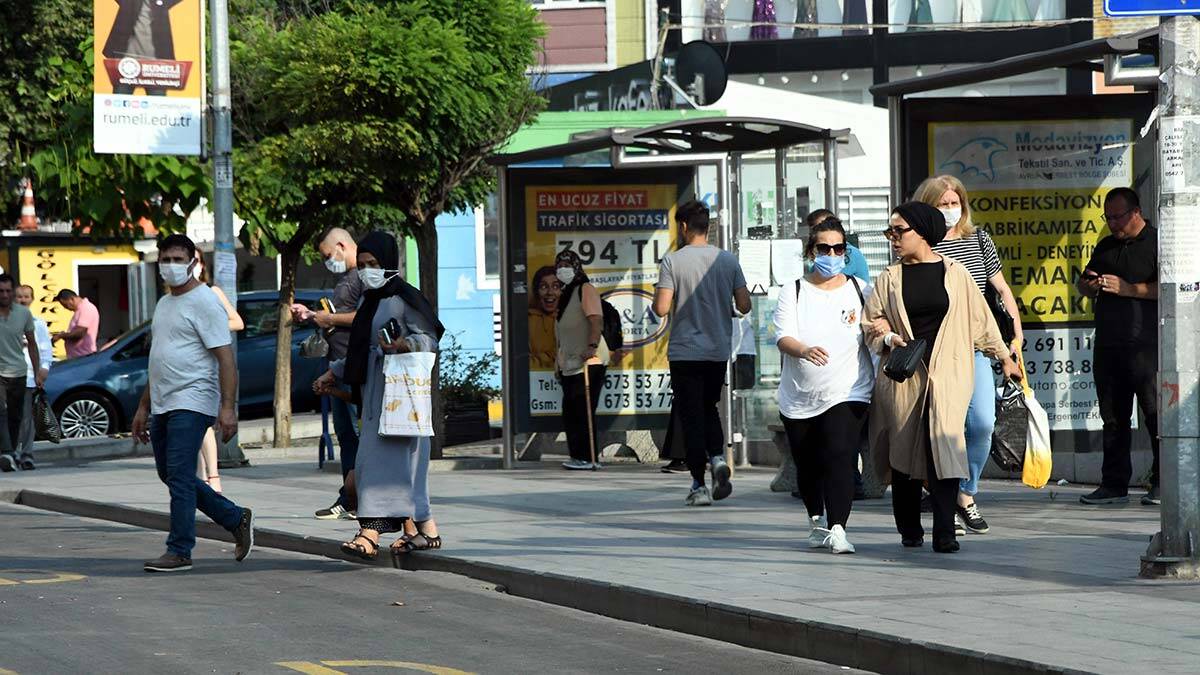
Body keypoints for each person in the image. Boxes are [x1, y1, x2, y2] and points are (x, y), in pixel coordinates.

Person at [863, 202, 1019, 553]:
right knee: (903, 451)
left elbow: (982, 322)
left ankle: (945, 532)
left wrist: (1005, 357)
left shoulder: (957, 275)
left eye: (898, 231)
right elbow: (870, 322)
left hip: (948, 372)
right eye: (889, 232)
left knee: (946, 449)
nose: (893, 239)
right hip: (904, 377)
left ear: (921, 232)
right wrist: (888, 336)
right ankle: (909, 528)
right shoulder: (889, 278)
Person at [313, 231, 445, 560]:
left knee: (382, 467)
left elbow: (429, 341)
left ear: (389, 263)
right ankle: (425, 531)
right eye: (362, 265)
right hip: (375, 397)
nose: (367, 270)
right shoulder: (369, 301)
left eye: (374, 264)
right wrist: (335, 371)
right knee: (392, 468)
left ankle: (368, 534)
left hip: (402, 399)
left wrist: (402, 345)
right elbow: (362, 348)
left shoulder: (404, 299)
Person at [906, 174, 1025, 535]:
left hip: (976, 347)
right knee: (945, 429)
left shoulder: (979, 239)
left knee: (982, 424)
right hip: (937, 351)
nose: (950, 209)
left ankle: (964, 491)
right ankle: (953, 500)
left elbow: (1001, 290)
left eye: (954, 202)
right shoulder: (920, 246)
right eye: (942, 204)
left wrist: (1015, 338)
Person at [131, 234, 253, 572]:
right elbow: (158, 360)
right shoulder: (164, 303)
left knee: (181, 475)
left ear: (193, 262)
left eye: (177, 259)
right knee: (170, 474)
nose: (171, 265)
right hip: (163, 402)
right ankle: (234, 517)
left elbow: (226, 359)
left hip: (194, 399)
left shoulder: (204, 301)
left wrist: (227, 408)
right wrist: (143, 407)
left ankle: (179, 550)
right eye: (165, 259)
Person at [774, 219, 875, 554]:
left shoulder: (861, 289)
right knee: (807, 464)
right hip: (799, 396)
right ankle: (816, 519)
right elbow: (782, 337)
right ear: (810, 251)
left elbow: (874, 329)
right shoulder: (794, 290)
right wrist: (803, 350)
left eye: (838, 248)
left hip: (849, 391)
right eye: (824, 248)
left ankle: (839, 528)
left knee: (840, 455)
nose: (831, 254)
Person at [653, 200, 751, 506]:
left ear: (683, 227)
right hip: (716, 349)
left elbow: (661, 308)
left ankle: (698, 484)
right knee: (709, 407)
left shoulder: (672, 262)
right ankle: (719, 459)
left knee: (691, 415)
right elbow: (745, 305)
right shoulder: (727, 260)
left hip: (684, 351)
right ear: (706, 226)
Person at [1076, 187, 1160, 506]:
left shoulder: (1156, 243)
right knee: (1113, 418)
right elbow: (1084, 283)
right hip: (1109, 345)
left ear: (1136, 212)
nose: (1112, 223)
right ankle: (1113, 483)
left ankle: (1162, 483)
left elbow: (1168, 289)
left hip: (1146, 346)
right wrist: (1089, 286)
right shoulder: (1106, 246)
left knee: (1154, 415)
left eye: (1118, 216)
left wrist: (1128, 289)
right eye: (1107, 217)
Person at [294, 228, 364, 520]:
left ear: (340, 245)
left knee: (356, 435)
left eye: (326, 256)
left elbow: (366, 317)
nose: (326, 261)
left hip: (352, 366)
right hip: (338, 365)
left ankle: (355, 497)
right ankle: (351, 498)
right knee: (346, 435)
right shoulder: (345, 278)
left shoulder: (363, 275)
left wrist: (329, 318)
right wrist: (312, 316)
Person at [192, 252, 245, 494]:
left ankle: (213, 476)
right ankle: (202, 478)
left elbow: (237, 321)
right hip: (187, 367)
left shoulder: (212, 292)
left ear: (202, 265)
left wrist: (208, 329)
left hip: (208, 367)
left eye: (195, 260)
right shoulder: (176, 297)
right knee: (194, 425)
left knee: (203, 423)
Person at [554, 250, 610, 471]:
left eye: (567, 264)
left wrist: (592, 346)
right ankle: (577, 455)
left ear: (576, 266)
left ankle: (588, 457)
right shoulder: (566, 293)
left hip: (589, 361)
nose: (562, 269)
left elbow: (595, 319)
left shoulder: (585, 289)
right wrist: (557, 363)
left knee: (582, 410)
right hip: (570, 364)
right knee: (570, 411)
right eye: (559, 265)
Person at [0, 276, 46, 473]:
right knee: (1, 412)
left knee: (16, 416)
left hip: (19, 372)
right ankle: (8, 452)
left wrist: (38, 373)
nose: (5, 295)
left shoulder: (24, 315)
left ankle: (14, 454)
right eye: (1, 291)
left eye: (8, 291)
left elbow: (34, 345)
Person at [13, 285, 53, 471]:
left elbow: (45, 349)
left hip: (29, 376)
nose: (22, 299)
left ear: (32, 299)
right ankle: (10, 453)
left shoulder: (38, 323)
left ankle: (27, 455)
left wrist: (43, 369)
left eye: (26, 296)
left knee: (27, 419)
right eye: (19, 296)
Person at [804, 209, 871, 281]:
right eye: (813, 231)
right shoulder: (815, 255)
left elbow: (864, 286)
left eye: (838, 249)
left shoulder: (853, 254)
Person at [528, 266, 561, 370]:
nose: (550, 292)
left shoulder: (569, 320)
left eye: (556, 287)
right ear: (536, 291)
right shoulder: (527, 321)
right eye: (543, 287)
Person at [51, 289, 100, 358]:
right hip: (78, 357)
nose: (66, 308)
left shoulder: (86, 308)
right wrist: (64, 335)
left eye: (65, 305)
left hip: (84, 357)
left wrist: (61, 335)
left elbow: (80, 333)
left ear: (72, 299)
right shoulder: (80, 310)